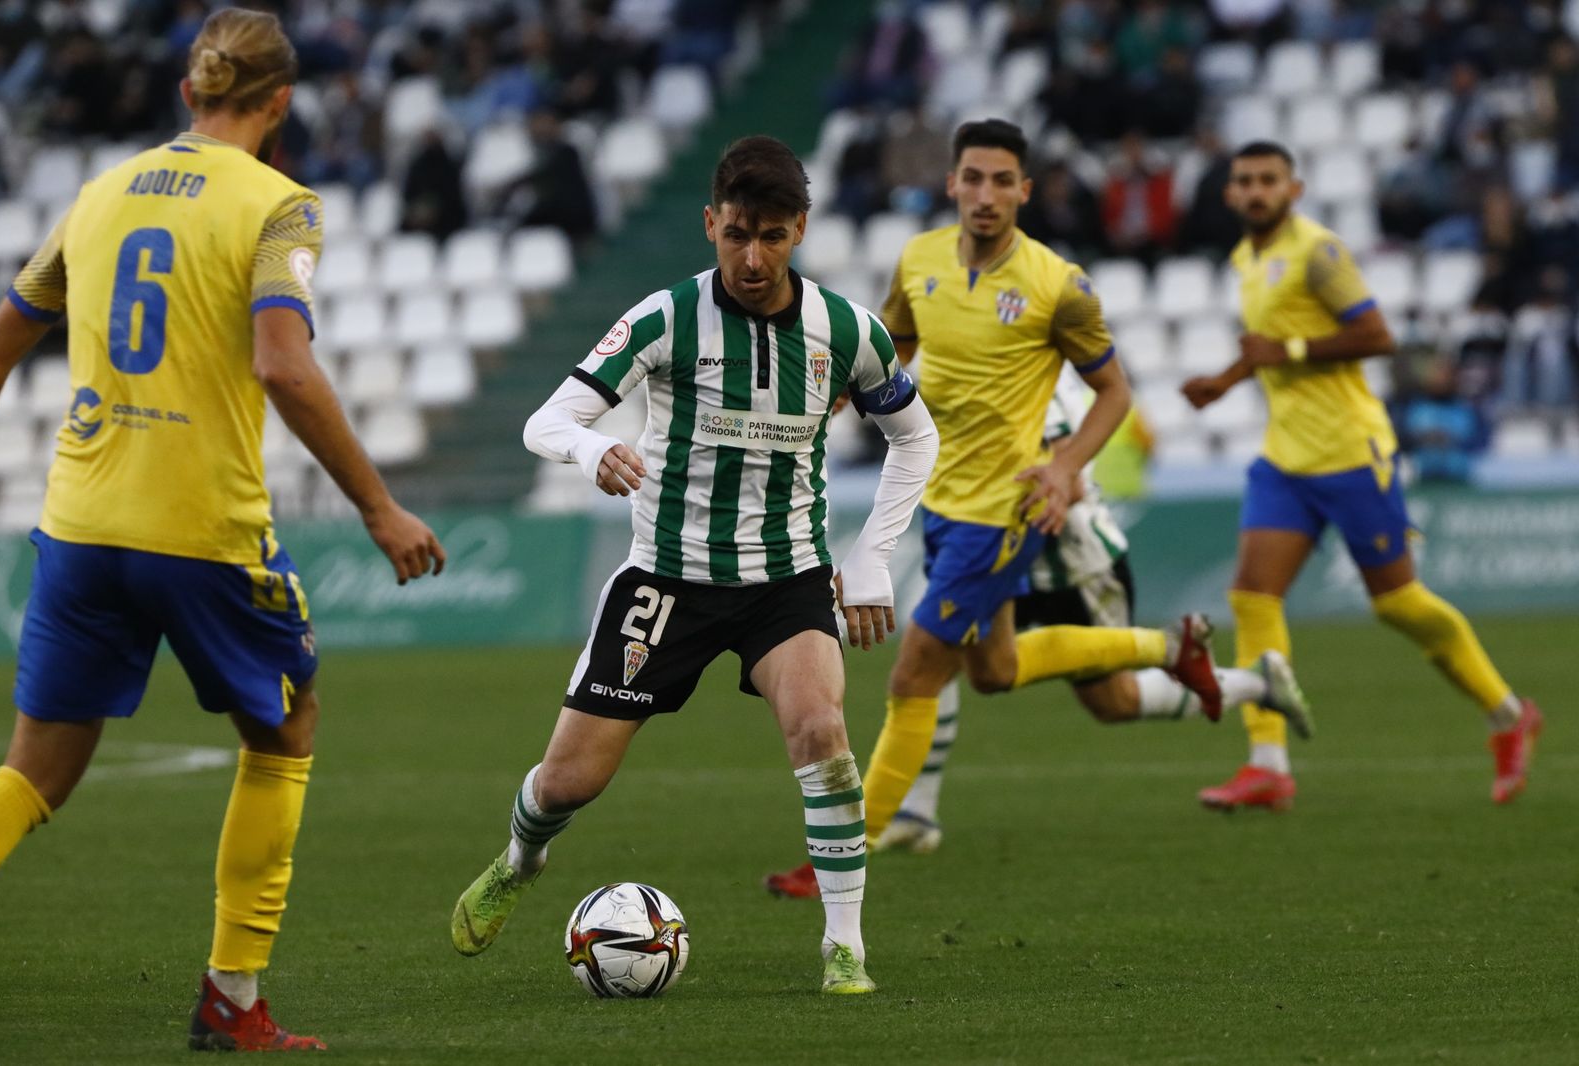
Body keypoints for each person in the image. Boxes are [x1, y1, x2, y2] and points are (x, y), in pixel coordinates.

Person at [0, 9, 446, 1052]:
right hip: (199, 527)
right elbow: (283, 364)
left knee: (32, 774)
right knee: (284, 730)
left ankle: (230, 999)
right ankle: (232, 999)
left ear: (189, 95)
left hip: (81, 522)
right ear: (279, 103)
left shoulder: (97, 195)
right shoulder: (280, 207)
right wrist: (380, 506)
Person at [448, 135, 938, 995]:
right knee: (568, 783)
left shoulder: (846, 331)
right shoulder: (664, 318)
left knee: (822, 731)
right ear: (710, 223)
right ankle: (521, 859)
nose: (753, 258)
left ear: (802, 230)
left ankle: (845, 947)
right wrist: (589, 449)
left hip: (785, 582)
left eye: (774, 237)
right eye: (737, 234)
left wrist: (870, 557)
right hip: (666, 580)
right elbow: (547, 420)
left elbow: (914, 436)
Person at [768, 119, 1225, 900]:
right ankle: (1165, 647)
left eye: (1001, 180)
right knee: (996, 671)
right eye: (971, 178)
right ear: (951, 184)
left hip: (1002, 513)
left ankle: (846, 851)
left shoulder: (1058, 285)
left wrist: (1064, 467)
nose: (985, 194)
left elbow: (1115, 393)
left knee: (913, 676)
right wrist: (852, 389)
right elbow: (895, 343)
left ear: (1024, 191)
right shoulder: (919, 261)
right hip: (938, 498)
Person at [767, 375, 1312, 884]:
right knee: (937, 660)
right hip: (996, 553)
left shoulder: (1043, 384)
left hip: (1074, 567)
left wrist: (991, 495)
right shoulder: (971, 351)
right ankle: (916, 811)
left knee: (1112, 702)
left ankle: (1251, 683)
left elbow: (1066, 479)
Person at [1181, 141, 1543, 812]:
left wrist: (1282, 350)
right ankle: (1268, 765)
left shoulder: (1319, 252)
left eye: (1268, 180)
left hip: (1351, 453)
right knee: (1253, 598)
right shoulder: (1245, 258)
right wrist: (1226, 381)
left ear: (1294, 187)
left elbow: (1378, 336)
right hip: (1285, 459)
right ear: (1230, 194)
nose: (1256, 191)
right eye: (1245, 182)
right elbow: (1269, 346)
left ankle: (1507, 712)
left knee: (1398, 603)